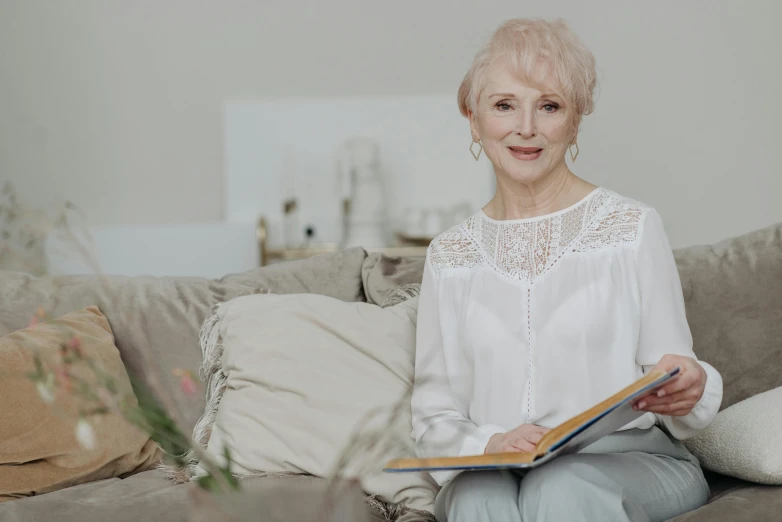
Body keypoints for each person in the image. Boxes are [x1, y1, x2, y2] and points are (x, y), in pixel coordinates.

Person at [410, 18, 723, 522]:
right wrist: (490, 441)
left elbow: (675, 373)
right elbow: (434, 415)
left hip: (631, 461)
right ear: (473, 118)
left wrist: (690, 383)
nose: (526, 127)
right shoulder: (449, 255)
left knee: (559, 485)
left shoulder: (631, 228)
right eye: (504, 105)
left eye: (549, 106)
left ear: (575, 120)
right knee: (474, 497)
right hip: (497, 468)